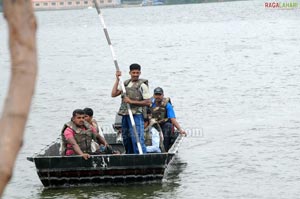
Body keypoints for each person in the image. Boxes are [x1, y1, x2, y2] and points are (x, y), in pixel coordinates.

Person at [111, 63, 150, 154]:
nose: (136, 74)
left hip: (137, 115)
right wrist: (117, 79)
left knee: (137, 138)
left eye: (137, 72)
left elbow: (148, 102)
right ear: (130, 73)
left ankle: (141, 156)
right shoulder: (125, 83)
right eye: (134, 72)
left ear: (140, 72)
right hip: (126, 115)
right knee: (126, 138)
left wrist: (131, 101)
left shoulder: (142, 85)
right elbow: (113, 94)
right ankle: (129, 156)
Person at [150, 87, 186, 151]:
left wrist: (180, 130)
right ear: (153, 95)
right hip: (153, 124)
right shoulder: (149, 103)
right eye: (156, 95)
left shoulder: (167, 105)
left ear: (163, 95)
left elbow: (172, 119)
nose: (157, 96)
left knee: (168, 127)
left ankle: (165, 150)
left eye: (159, 95)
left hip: (164, 124)